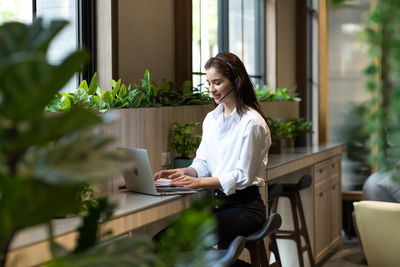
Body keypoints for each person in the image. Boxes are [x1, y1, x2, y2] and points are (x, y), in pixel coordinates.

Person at [154, 51, 271, 249]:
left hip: (245, 208)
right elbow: (203, 162)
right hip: (218, 205)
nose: (211, 89)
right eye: (208, 83)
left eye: (217, 82)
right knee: (161, 240)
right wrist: (185, 172)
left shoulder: (252, 124)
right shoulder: (212, 119)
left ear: (236, 80)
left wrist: (198, 182)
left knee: (166, 242)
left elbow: (241, 176)